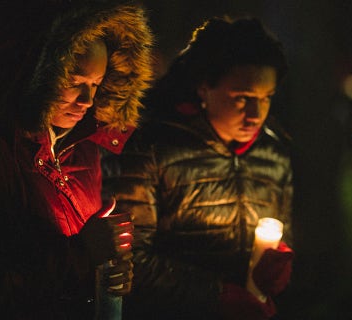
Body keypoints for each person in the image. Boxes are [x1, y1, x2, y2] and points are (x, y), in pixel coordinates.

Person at [0, 0, 154, 318]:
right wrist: (83, 253)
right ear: (33, 72)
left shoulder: (82, 147)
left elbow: (86, 261)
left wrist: (108, 273)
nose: (88, 100)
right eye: (74, 83)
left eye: (96, 85)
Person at [102, 16, 294, 319]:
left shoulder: (273, 154)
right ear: (204, 88)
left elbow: (280, 232)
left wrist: (279, 263)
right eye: (242, 98)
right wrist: (217, 296)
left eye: (266, 97)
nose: (256, 114)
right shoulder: (151, 148)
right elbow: (129, 259)